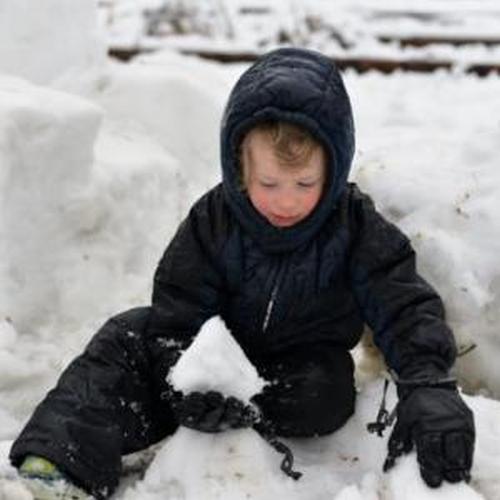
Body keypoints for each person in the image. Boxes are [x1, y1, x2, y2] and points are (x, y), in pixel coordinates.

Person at [10, 47, 475, 499]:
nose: (286, 201)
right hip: (207, 355)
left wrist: (430, 384)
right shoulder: (214, 219)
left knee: (327, 390)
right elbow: (178, 306)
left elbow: (403, 303)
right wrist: (183, 373)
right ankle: (63, 458)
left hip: (297, 369)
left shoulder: (354, 227)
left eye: (305, 184)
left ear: (333, 171)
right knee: (127, 334)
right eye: (269, 183)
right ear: (239, 169)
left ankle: (229, 416)